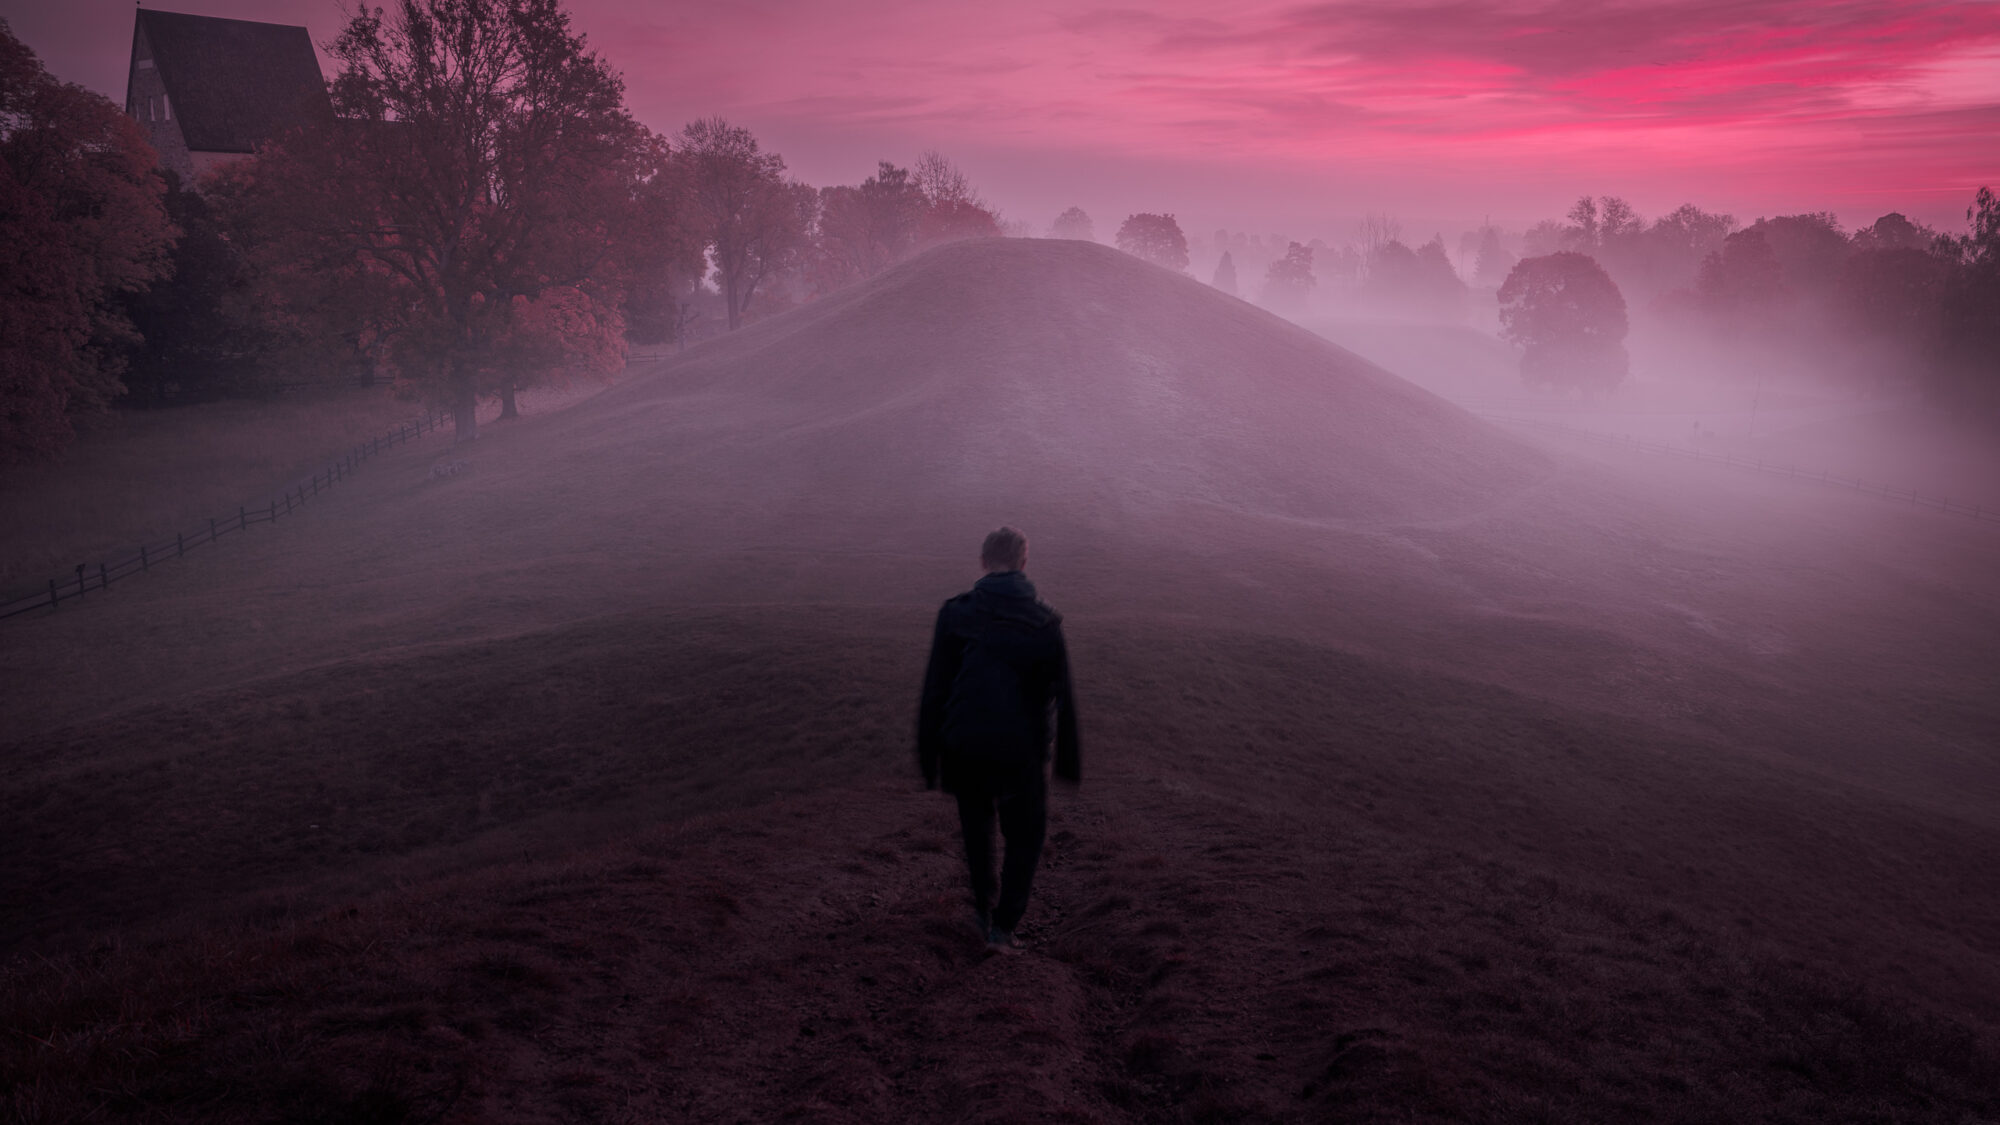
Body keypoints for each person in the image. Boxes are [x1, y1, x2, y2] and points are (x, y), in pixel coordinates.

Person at [919, 526, 1081, 951]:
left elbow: (936, 686)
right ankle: (1004, 928)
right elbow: (1062, 693)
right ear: (1024, 562)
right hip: (1021, 751)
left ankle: (981, 909)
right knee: (1025, 836)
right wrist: (1066, 762)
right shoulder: (1046, 620)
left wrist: (927, 752)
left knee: (977, 829)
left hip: (965, 743)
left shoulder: (955, 613)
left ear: (983, 562)